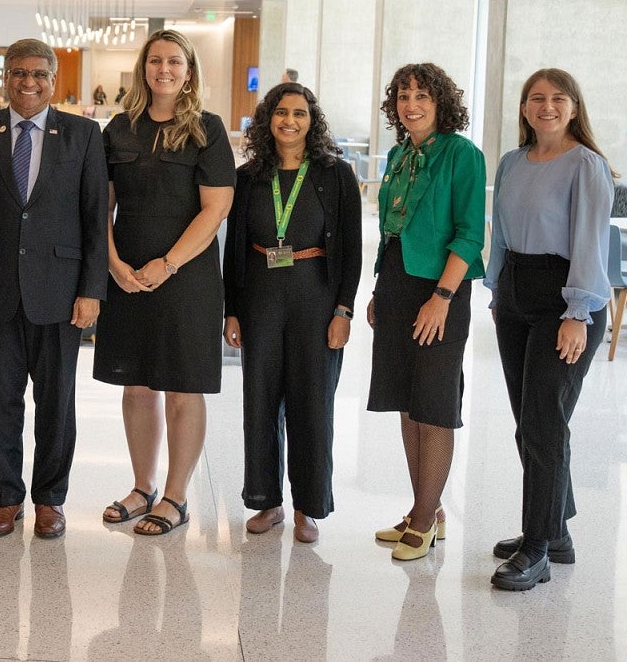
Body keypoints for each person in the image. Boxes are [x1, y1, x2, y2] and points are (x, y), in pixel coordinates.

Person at [0, 37, 108, 539]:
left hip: (61, 294)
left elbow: (94, 216)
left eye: (39, 74)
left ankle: (50, 500)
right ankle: (6, 499)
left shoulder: (82, 134)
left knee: (57, 402)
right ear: (5, 77)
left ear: (53, 81)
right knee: (0, 401)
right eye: (19, 72)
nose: (28, 82)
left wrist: (92, 289)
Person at [93, 29, 234, 536]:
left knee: (181, 387)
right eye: (155, 61)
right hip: (127, 276)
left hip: (186, 278)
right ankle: (142, 486)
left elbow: (216, 209)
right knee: (135, 385)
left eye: (175, 61)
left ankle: (175, 495)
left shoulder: (207, 130)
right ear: (143, 69)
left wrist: (167, 264)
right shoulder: (119, 129)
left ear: (189, 70)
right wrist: (112, 264)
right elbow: (100, 206)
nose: (164, 70)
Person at [485, 68, 614, 590]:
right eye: (536, 98)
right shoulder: (513, 162)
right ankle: (553, 530)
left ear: (575, 108)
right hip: (516, 294)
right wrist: (497, 292)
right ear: (523, 108)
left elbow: (590, 243)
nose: (547, 106)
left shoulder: (587, 165)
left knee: (544, 422)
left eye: (558, 99)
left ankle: (536, 549)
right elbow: (501, 233)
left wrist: (577, 314)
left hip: (564, 300)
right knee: (529, 422)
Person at [222, 82, 361, 543]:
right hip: (260, 297)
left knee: (311, 404)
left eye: (299, 113)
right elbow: (234, 250)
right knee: (259, 403)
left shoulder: (336, 175)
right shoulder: (249, 177)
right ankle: (266, 502)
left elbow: (352, 252)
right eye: (280, 113)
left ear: (312, 120)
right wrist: (233, 311)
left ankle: (309, 507)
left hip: (315, 298)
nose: (289, 121)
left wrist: (343, 310)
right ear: (267, 120)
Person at [366, 63, 485, 561]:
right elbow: (393, 228)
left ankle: (424, 518)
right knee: (406, 400)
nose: (410, 104)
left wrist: (443, 297)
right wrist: (380, 288)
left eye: (421, 96)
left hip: (439, 291)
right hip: (397, 284)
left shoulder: (462, 155)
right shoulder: (398, 154)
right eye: (403, 95)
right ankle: (426, 509)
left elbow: (470, 233)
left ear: (441, 103)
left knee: (434, 404)